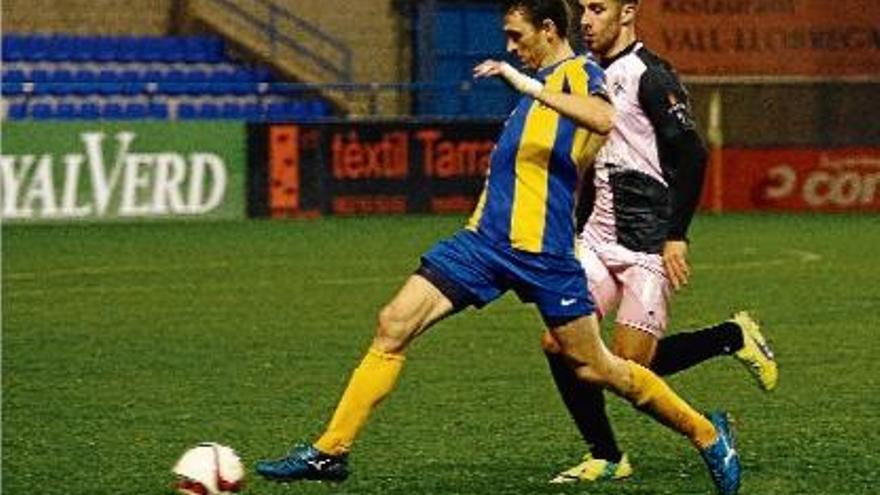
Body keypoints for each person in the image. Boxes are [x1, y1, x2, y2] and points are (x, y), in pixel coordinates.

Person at [255, 1, 739, 493]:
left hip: (543, 255)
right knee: (393, 323)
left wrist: (530, 86)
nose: (510, 47)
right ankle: (330, 451)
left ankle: (706, 433)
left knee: (599, 367)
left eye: (516, 35)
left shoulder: (578, 72)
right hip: (483, 243)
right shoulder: (540, 86)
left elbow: (602, 116)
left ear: (548, 29)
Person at [539, 0, 777, 485]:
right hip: (598, 239)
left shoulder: (651, 75)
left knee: (627, 368)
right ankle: (606, 455)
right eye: (581, 8)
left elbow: (691, 154)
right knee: (560, 344)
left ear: (628, 13)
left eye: (597, 8)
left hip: (647, 244)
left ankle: (730, 337)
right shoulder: (586, 75)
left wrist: (675, 236)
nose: (585, 19)